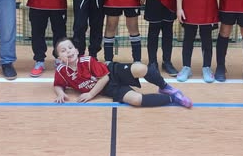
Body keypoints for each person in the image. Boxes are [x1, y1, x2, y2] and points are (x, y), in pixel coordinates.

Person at [53, 38, 192, 108]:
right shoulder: (61, 70)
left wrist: (90, 94)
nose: (68, 51)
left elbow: (104, 78)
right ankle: (173, 99)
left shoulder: (88, 60)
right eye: (63, 51)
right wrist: (60, 93)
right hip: (109, 89)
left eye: (70, 48)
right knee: (136, 100)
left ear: (77, 51)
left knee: (140, 68)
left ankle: (166, 88)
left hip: (112, 72)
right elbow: (58, 84)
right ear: (59, 58)